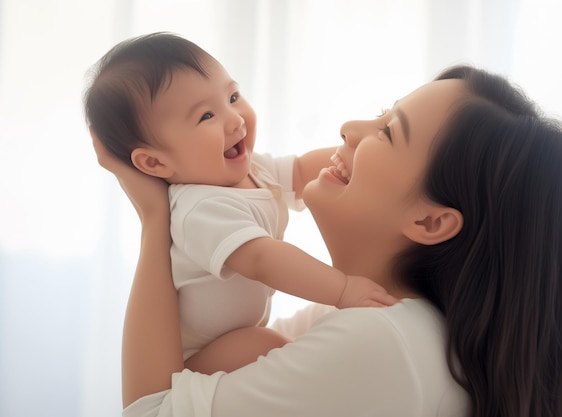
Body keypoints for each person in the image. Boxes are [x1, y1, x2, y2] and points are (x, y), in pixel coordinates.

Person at [92, 64, 562, 417]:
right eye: (381, 112)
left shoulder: (385, 343)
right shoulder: (381, 325)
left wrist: (157, 219)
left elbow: (151, 410)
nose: (350, 128)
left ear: (430, 223)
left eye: (387, 132)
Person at [83, 33, 398, 374]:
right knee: (263, 344)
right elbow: (262, 258)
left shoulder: (250, 168)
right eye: (206, 117)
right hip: (199, 356)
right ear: (156, 164)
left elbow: (306, 169)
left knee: (262, 339)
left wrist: (368, 152)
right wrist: (343, 289)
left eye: (232, 97)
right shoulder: (198, 209)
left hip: (237, 334)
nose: (235, 119)